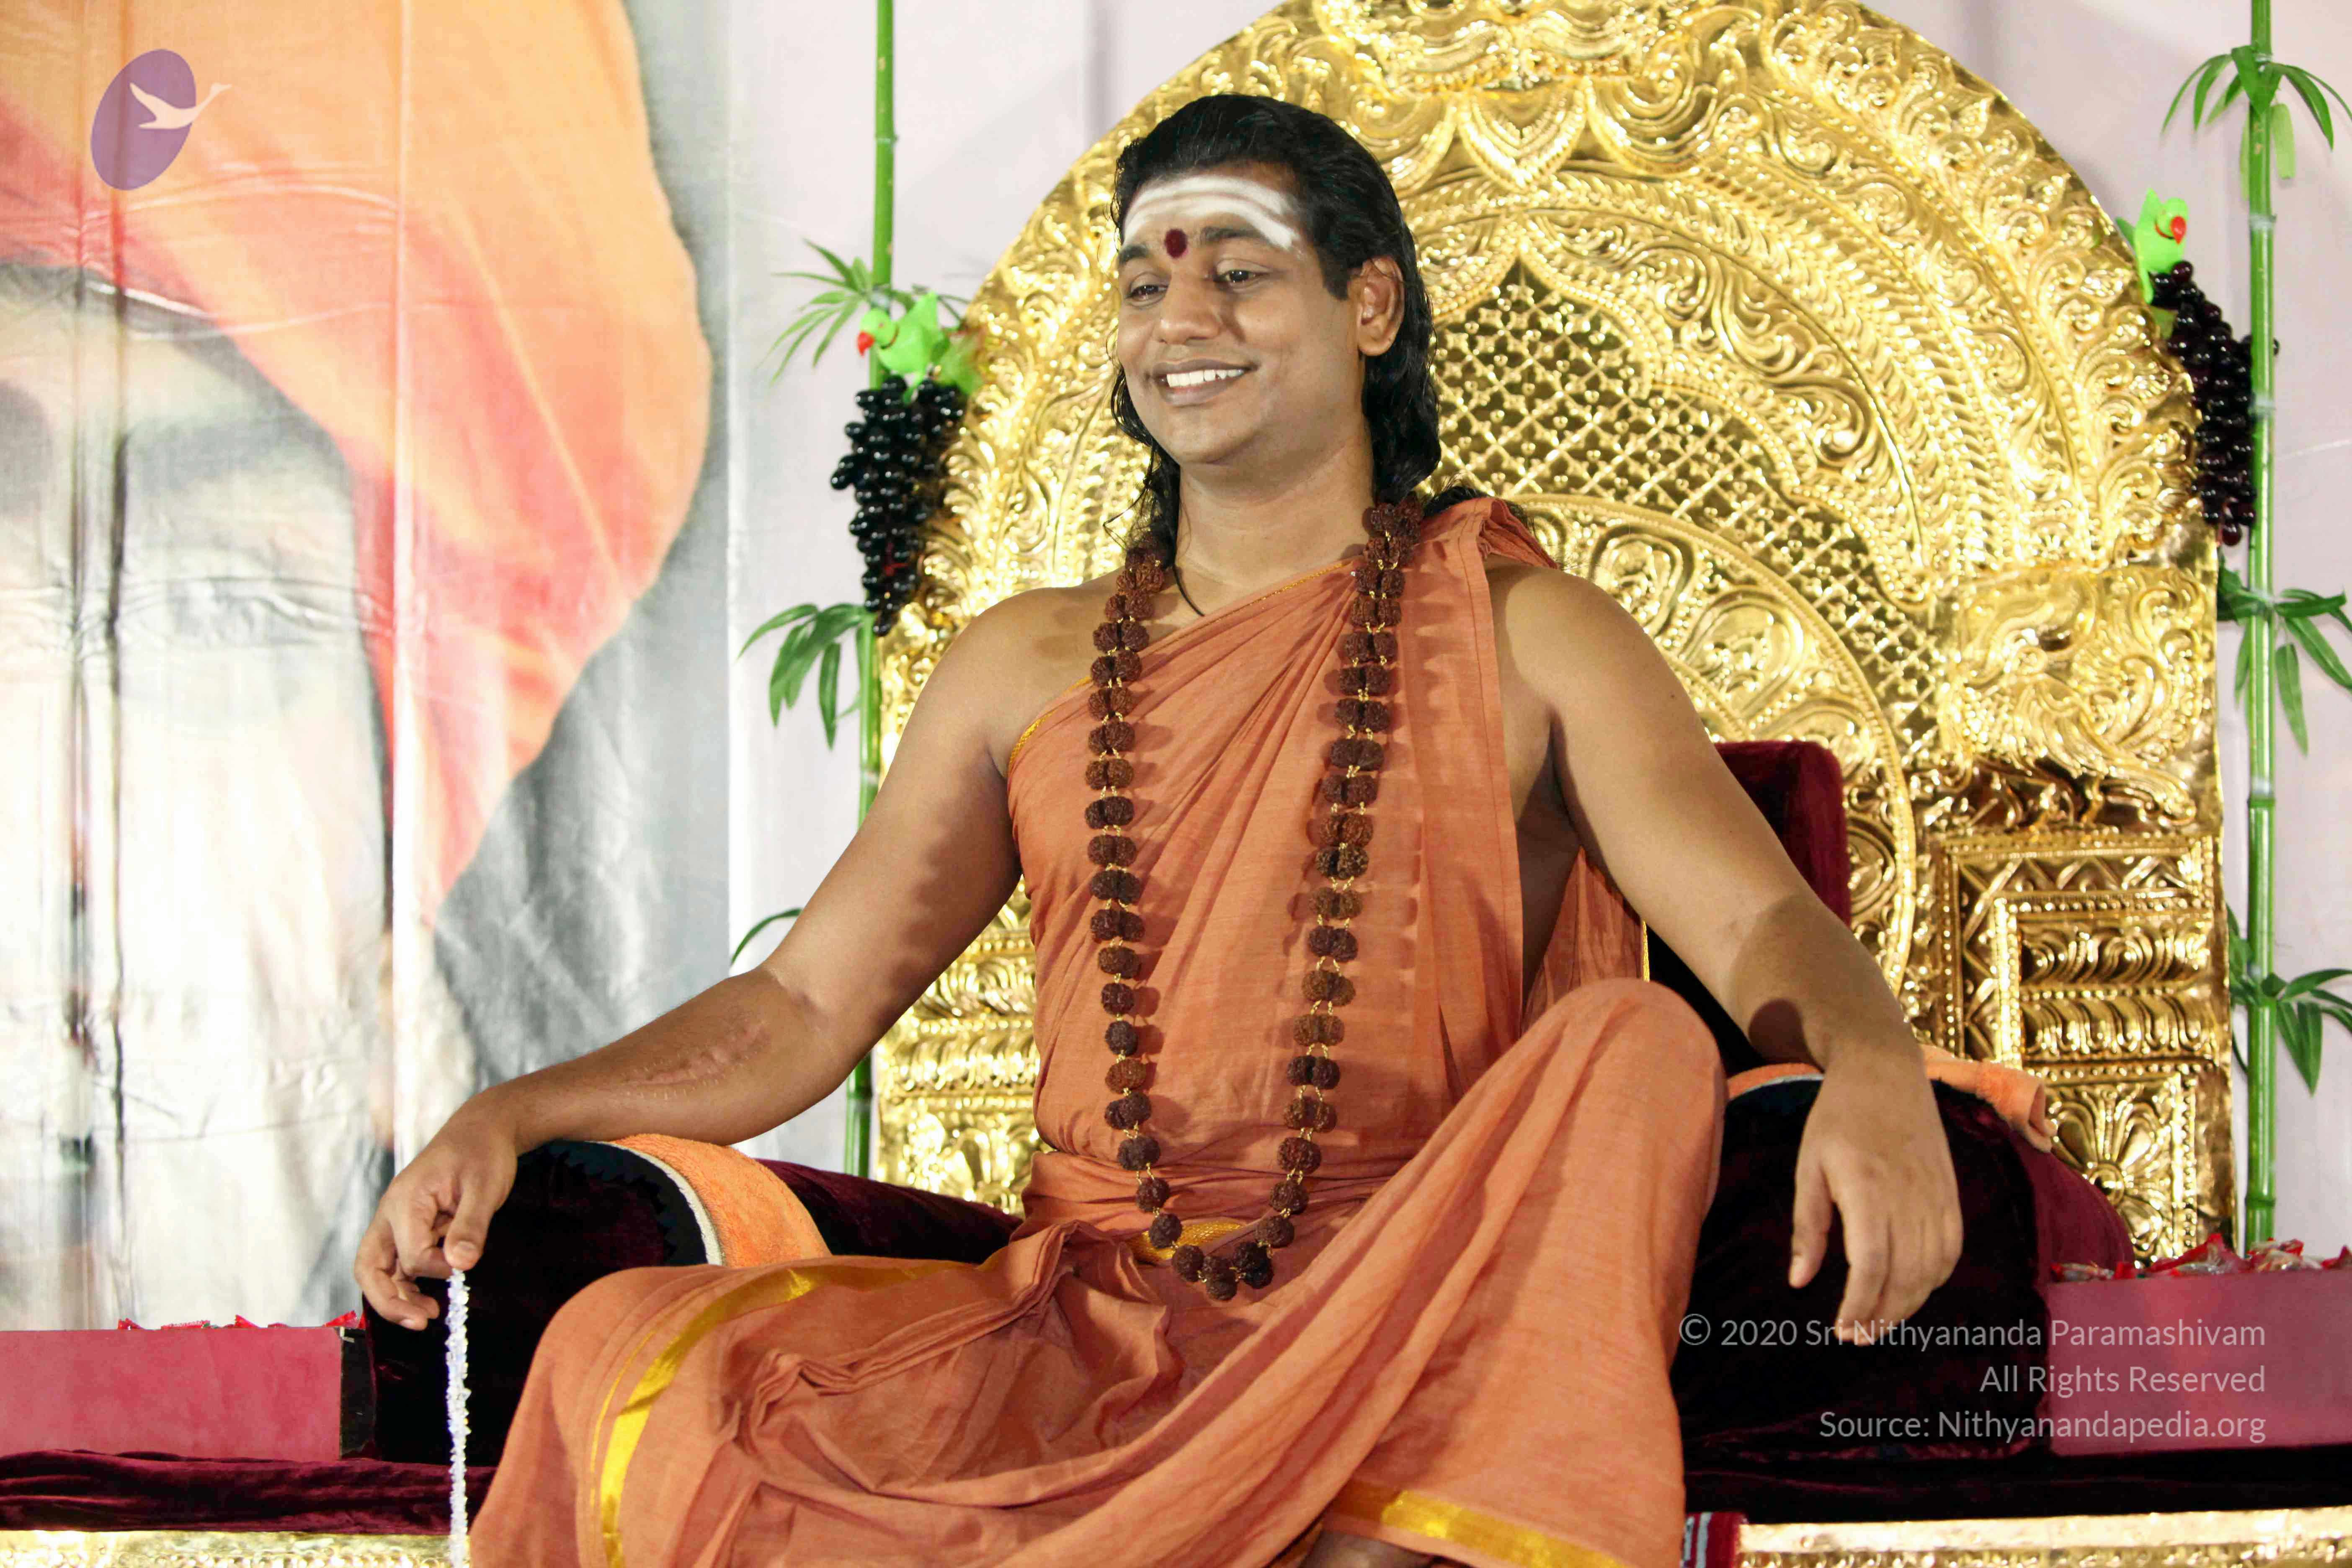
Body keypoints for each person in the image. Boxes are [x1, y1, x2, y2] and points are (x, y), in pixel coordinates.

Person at [357, 95, 1963, 1568]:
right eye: (1143, 284)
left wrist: (1878, 1068)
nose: (1179, 322)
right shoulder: (1024, 666)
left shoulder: (1532, 635)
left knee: (1641, 1042)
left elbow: (1757, 925)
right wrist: (513, 1109)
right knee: (626, 1347)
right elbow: (802, 1003)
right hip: (1099, 1316)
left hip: (1418, 1301)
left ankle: (1393, 1530)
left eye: (1240, 275)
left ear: (1370, 307)